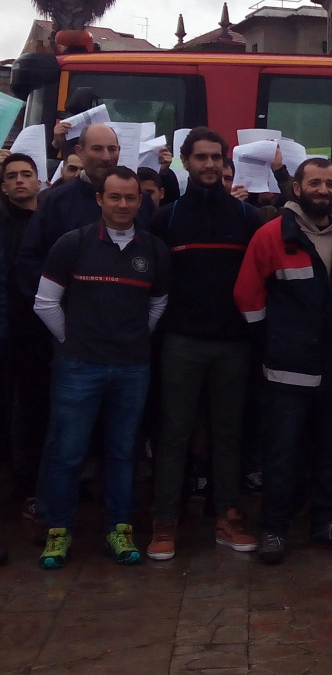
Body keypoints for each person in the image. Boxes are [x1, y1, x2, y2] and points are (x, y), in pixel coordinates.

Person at [34, 166, 170, 568]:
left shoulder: (154, 250)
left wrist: (132, 338)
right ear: (99, 199)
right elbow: (45, 302)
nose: (123, 204)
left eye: (130, 197)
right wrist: (72, 340)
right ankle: (58, 532)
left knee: (122, 452)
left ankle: (119, 528)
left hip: (132, 368)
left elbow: (158, 304)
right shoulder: (71, 244)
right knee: (68, 453)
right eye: (115, 197)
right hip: (80, 367)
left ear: (139, 201)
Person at [233, 158, 332, 564]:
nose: (323, 190)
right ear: (297, 188)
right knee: (281, 453)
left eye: (330, 183)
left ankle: (327, 522)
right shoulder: (272, 235)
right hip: (287, 369)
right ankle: (273, 528)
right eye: (315, 183)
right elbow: (247, 293)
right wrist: (271, 338)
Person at [145, 128, 261, 561]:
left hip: (234, 345)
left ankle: (228, 518)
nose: (209, 165)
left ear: (226, 162)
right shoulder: (166, 219)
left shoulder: (248, 219)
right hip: (180, 343)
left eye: (216, 157)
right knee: (174, 433)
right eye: (201, 157)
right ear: (185, 162)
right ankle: (164, 522)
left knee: (229, 434)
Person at [19, 124, 155, 295]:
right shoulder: (56, 202)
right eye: (97, 149)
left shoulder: (142, 202)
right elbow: (30, 261)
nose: (106, 157)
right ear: (79, 151)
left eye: (112, 149)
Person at [0, 153, 49, 524]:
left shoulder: (48, 221)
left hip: (45, 331)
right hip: (11, 329)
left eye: (26, 174)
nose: (19, 180)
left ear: (39, 181)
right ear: (3, 185)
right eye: (12, 175)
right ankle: (19, 484)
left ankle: (41, 483)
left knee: (41, 410)